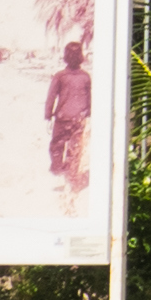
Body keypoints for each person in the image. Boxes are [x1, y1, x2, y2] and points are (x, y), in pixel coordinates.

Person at [44, 36, 93, 194]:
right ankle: (71, 176)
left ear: (65, 57)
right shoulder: (85, 77)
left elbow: (51, 97)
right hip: (79, 118)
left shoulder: (60, 76)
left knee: (57, 144)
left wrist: (48, 116)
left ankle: (58, 170)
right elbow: (89, 98)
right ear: (81, 58)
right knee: (75, 147)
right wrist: (88, 115)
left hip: (62, 117)